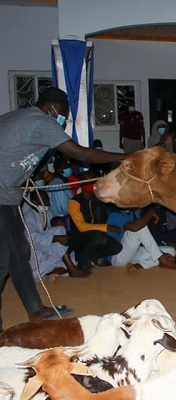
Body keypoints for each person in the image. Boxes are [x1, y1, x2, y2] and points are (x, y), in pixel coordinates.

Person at [0, 86, 123, 330]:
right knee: (2, 261)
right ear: (50, 108)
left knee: (20, 254)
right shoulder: (40, 122)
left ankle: (36, 310)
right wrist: (125, 156)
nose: (63, 121)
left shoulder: (17, 116)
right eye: (63, 114)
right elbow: (81, 154)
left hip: (7, 196)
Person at [22, 190, 88, 280]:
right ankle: (71, 269)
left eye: (47, 199)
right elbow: (31, 238)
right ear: (33, 202)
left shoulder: (48, 213)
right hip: (38, 254)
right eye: (43, 199)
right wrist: (57, 238)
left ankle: (55, 273)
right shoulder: (29, 216)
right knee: (59, 231)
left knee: (73, 256)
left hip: (50, 251)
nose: (47, 202)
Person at [67, 171, 123, 271]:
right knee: (98, 235)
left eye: (94, 181)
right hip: (80, 237)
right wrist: (105, 227)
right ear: (82, 183)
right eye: (89, 182)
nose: (93, 184)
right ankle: (82, 260)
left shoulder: (98, 199)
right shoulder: (74, 202)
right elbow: (81, 227)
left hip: (97, 235)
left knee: (116, 247)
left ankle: (93, 257)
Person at [106, 207, 176, 272]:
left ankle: (138, 266)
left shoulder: (132, 213)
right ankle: (160, 259)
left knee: (171, 251)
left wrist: (161, 253)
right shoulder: (115, 214)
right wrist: (151, 212)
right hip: (118, 257)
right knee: (139, 229)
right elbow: (134, 227)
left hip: (133, 254)